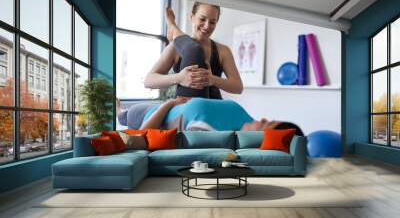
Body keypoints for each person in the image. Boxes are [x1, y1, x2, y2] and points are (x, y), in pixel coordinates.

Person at [144, 3, 243, 99]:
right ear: (191, 17)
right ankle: (173, 28)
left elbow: (238, 87)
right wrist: (179, 78)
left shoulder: (223, 51)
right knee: (193, 49)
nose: (207, 26)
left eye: (212, 22)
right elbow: (148, 81)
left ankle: (174, 28)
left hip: (213, 108)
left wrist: (213, 80)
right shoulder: (174, 48)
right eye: (202, 19)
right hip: (185, 108)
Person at [117, 98, 304, 136]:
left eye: (267, 125)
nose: (263, 119)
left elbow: (142, 133)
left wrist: (170, 103)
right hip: (155, 107)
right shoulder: (244, 114)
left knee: (125, 118)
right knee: (122, 115)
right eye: (270, 119)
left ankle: (119, 112)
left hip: (147, 116)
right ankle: (119, 111)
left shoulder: (214, 134)